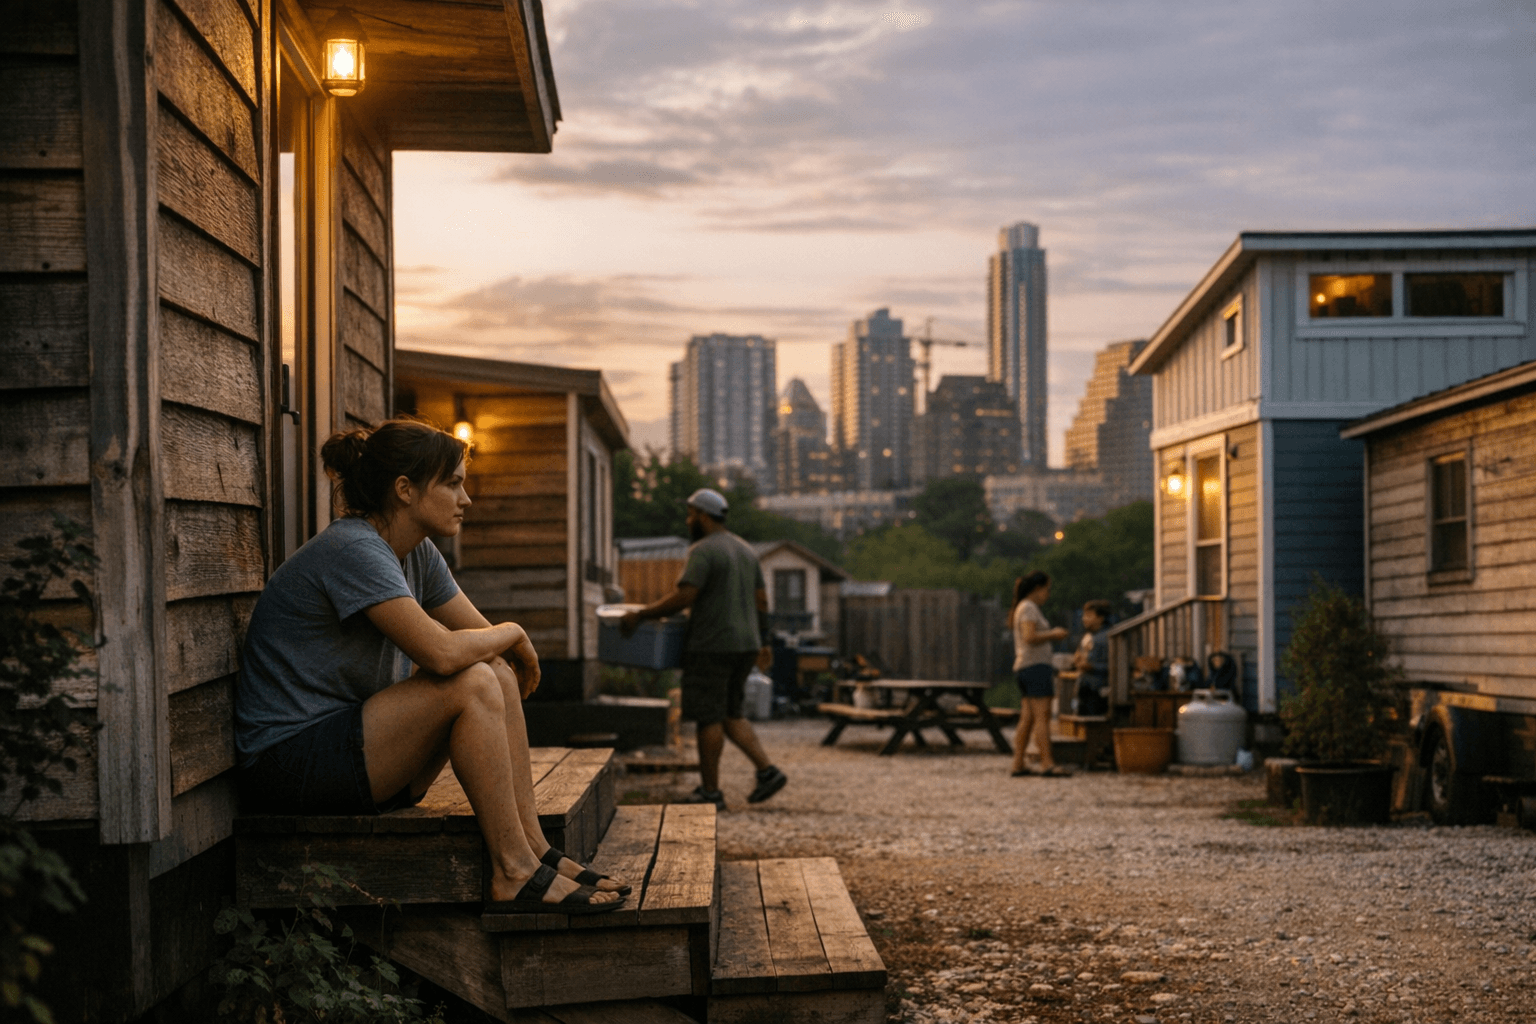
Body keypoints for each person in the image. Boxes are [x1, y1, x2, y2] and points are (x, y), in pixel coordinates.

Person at [234, 419, 626, 917]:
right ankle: (512, 872)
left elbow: (479, 647)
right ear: (405, 490)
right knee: (472, 680)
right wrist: (515, 632)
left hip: (356, 754)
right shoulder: (352, 548)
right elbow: (443, 654)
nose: (467, 499)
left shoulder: (416, 553)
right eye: (453, 483)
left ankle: (534, 852)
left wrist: (503, 645)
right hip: (288, 764)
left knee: (492, 674)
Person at [620, 489, 788, 810]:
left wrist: (641, 615)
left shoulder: (704, 550)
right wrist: (764, 641)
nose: (688, 520)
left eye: (691, 514)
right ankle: (767, 771)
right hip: (745, 645)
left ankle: (711, 792)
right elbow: (762, 601)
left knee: (708, 717)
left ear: (703, 516)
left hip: (712, 645)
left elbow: (685, 596)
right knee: (730, 713)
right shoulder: (745, 550)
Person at [1009, 571, 1071, 777]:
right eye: (1047, 589)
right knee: (1042, 717)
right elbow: (1029, 636)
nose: (1048, 594)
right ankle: (1047, 763)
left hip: (1026, 666)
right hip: (1035, 667)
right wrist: (1053, 634)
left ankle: (1018, 762)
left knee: (1027, 718)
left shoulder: (1025, 607)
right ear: (1038, 589)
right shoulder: (1028, 608)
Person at [1073, 599, 1112, 716]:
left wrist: (1092, 667)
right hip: (1084, 686)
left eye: (1089, 615)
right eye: (1084, 615)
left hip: (1098, 689)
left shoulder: (1108, 638)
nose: (1084, 618)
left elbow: (1114, 665)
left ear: (1101, 618)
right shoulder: (1088, 636)